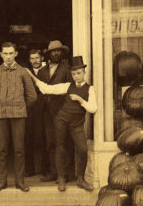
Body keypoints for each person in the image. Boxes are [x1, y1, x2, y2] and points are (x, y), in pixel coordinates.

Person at [29, 56, 96, 191]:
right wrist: (32, 75)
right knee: (59, 147)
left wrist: (80, 100)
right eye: (73, 74)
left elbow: (93, 109)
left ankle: (81, 179)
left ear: (84, 73)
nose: (76, 76)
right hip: (61, 121)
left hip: (76, 124)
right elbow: (47, 89)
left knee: (82, 149)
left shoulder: (90, 89)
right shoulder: (67, 86)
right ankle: (61, 178)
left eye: (78, 73)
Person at [0, 42, 36, 192]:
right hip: (1, 116)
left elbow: (32, 96)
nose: (7, 57)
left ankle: (20, 182)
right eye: (5, 53)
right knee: (2, 149)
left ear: (16, 54)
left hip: (18, 115)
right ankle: (1, 182)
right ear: (1, 54)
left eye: (10, 53)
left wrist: (21, 107)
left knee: (19, 149)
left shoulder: (22, 72)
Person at [36, 40, 73, 182]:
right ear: (49, 54)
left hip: (62, 111)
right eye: (53, 51)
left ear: (62, 53)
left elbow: (70, 89)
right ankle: (53, 172)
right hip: (47, 112)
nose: (56, 53)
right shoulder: (42, 71)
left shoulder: (67, 68)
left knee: (63, 142)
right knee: (50, 142)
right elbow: (38, 92)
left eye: (58, 50)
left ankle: (64, 174)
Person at [25, 49, 45, 176]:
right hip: (30, 109)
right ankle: (29, 169)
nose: (34, 61)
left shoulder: (47, 70)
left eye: (37, 58)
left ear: (42, 58)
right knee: (28, 138)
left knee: (43, 138)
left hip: (45, 109)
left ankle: (44, 169)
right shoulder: (25, 72)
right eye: (32, 58)